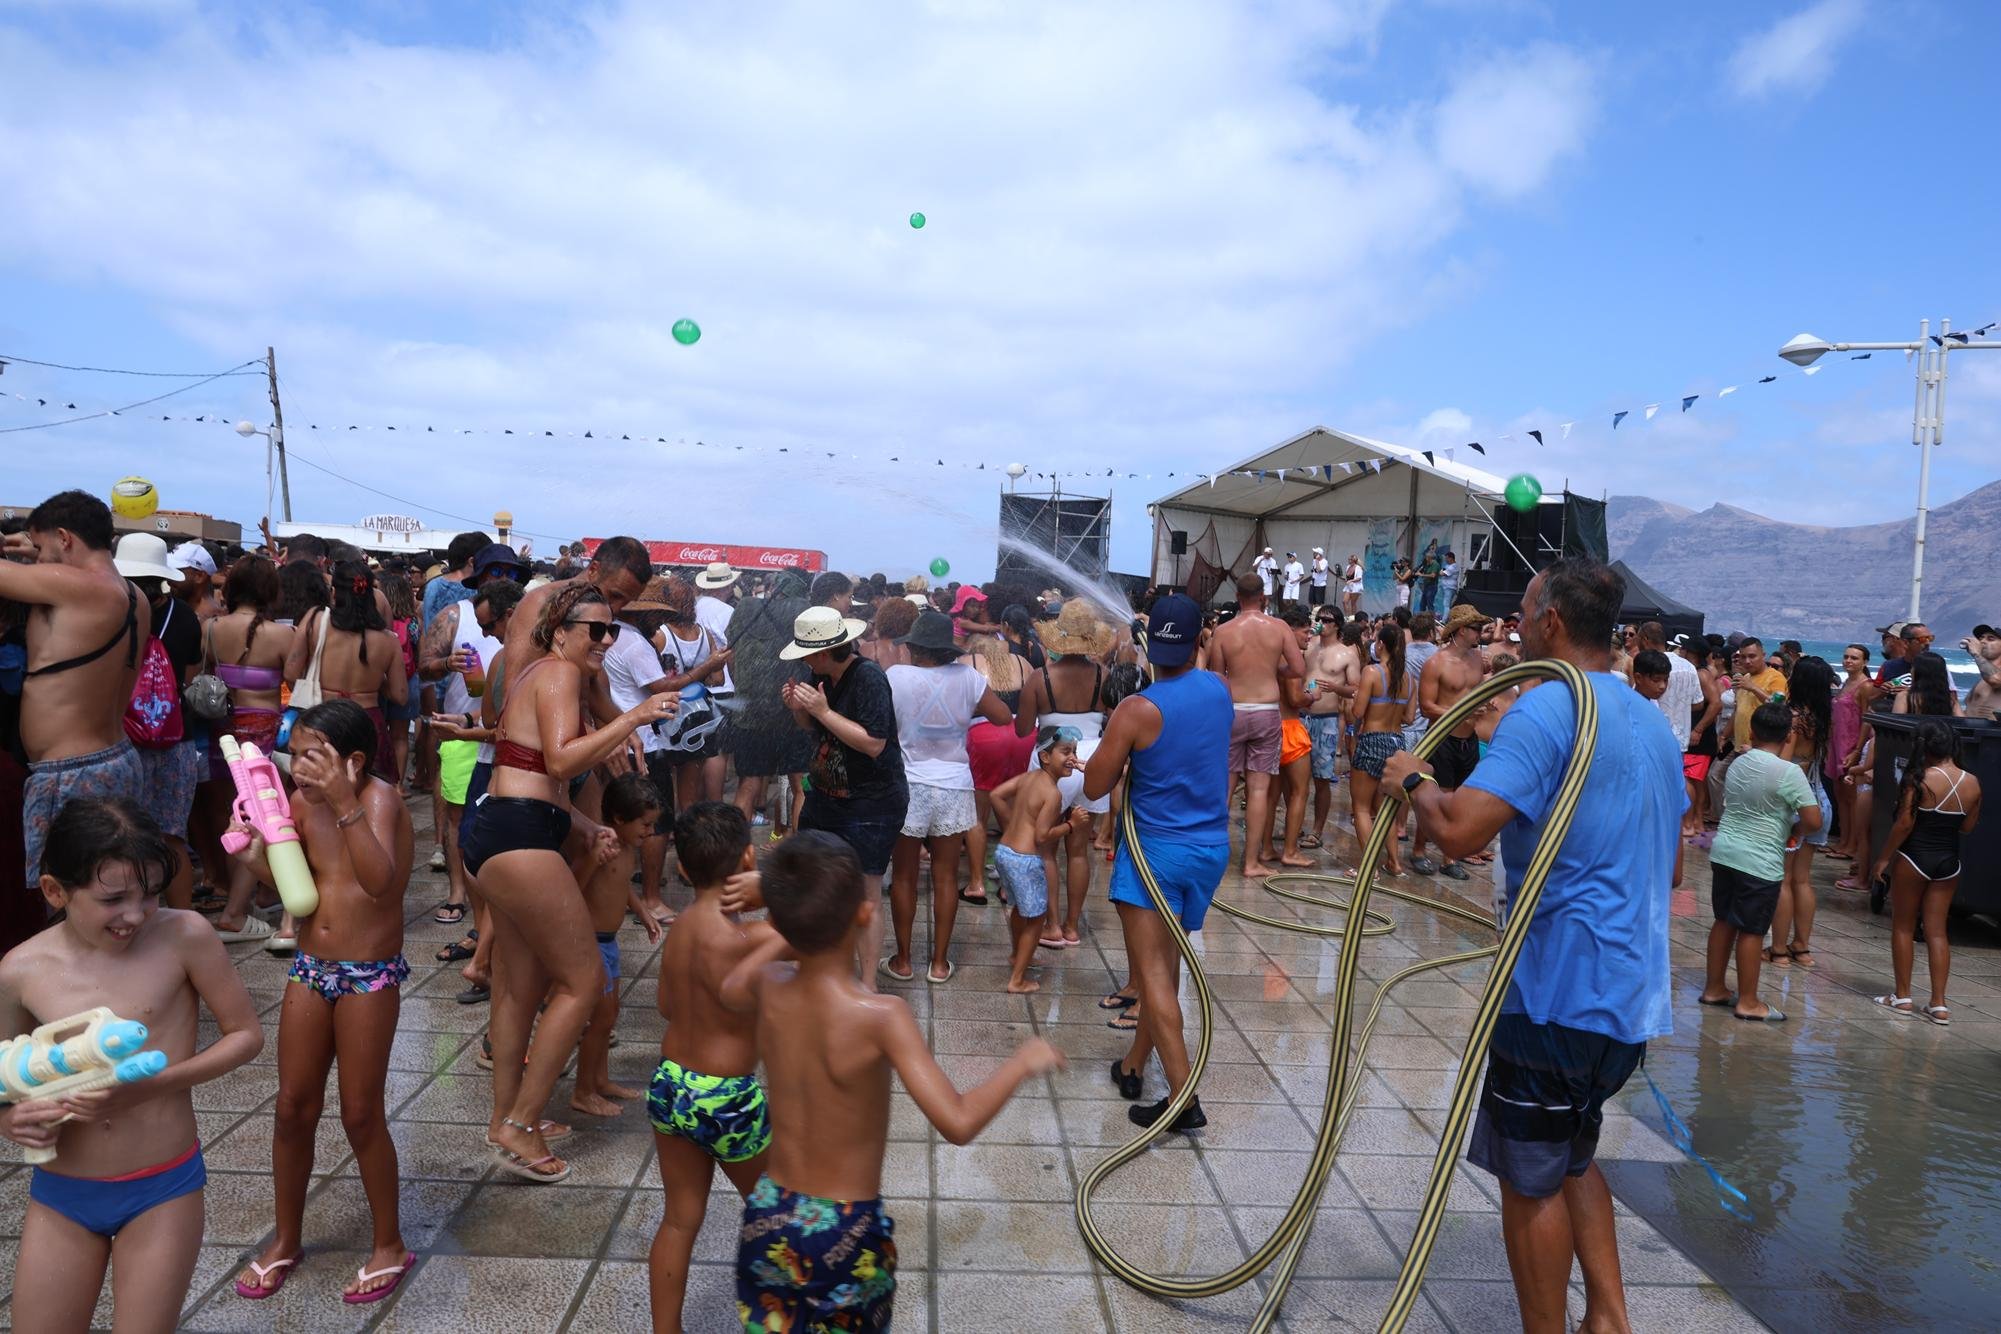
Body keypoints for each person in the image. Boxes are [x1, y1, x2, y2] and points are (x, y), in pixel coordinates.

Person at [1380, 558, 1684, 1334]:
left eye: (1519, 611)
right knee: (1573, 1153)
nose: (1510, 626)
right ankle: (1608, 1319)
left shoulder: (1547, 713)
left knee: (1532, 1180)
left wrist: (1411, 779)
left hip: (1555, 992)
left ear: (1551, 621)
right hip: (1628, 994)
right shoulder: (1648, 717)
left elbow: (1455, 830)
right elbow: (1672, 860)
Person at [719, 832, 1064, 1331]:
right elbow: (958, 1122)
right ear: (863, 916)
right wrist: (1022, 1062)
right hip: (846, 1227)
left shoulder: (768, 985)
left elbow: (730, 989)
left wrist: (780, 910)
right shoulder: (880, 1016)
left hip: (770, 1213)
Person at [0, 796, 262, 1332]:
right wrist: (9, 1120)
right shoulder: (21, 970)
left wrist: (155, 1084)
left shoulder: (184, 935)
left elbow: (246, 1035)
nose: (136, 915)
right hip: (63, 1189)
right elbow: (5, 1078)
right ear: (55, 891)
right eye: (113, 899)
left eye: (148, 894)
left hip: (161, 1185)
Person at [463, 582, 677, 1183]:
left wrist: (583, 823)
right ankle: (521, 1123)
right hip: (522, 840)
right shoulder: (558, 674)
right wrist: (633, 717)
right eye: (595, 630)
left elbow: (526, 767)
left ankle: (505, 1114)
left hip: (504, 828)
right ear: (560, 632)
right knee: (582, 981)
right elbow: (560, 761)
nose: (606, 642)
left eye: (613, 632)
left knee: (516, 990)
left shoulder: (531, 674)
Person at [225, 701, 415, 1303]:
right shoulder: (302, 803)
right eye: (295, 753)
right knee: (290, 1107)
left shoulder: (380, 801)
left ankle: (389, 1243)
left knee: (361, 1113)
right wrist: (256, 853)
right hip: (311, 967)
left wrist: (347, 804)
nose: (296, 767)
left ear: (352, 761)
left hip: (368, 974)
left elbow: (380, 883)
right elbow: (295, 886)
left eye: (311, 755)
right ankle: (286, 1238)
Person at [1085, 593, 1230, 1130]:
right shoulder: (1220, 690)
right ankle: (1134, 1063)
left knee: (1153, 976)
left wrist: (1114, 751)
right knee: (1163, 968)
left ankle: (1183, 1099)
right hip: (1209, 849)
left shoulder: (1137, 709)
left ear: (1151, 648)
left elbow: (1098, 785)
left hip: (1155, 855)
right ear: (1197, 642)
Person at [648, 802, 777, 1334]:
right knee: (775, 1217)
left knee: (680, 1218)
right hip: (729, 1099)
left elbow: (664, 1006)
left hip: (671, 1085)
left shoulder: (680, 930)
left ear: (682, 868)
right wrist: (774, 889)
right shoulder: (753, 937)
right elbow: (830, 918)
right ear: (748, 858)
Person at [2, 492, 150, 897]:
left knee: (66, 899)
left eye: (42, 547)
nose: (39, 557)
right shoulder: (133, 596)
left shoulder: (79, 586)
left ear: (65, 538)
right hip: (117, 756)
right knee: (113, 889)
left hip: (68, 773)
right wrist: (30, 544)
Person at [778, 605, 906, 986]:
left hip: (871, 801)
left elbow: (874, 744)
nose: (802, 659)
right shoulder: (817, 673)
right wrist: (800, 711)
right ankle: (826, 969)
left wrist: (822, 710)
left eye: (805, 652)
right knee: (812, 880)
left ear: (822, 652)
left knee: (866, 893)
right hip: (825, 795)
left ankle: (866, 983)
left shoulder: (868, 677)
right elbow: (816, 730)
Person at [883, 610, 1009, 984]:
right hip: (954, 784)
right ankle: (939, 964)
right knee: (946, 877)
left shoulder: (896, 676)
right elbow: (1002, 716)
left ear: (916, 647)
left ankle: (903, 961)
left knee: (904, 877)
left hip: (910, 785)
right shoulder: (969, 677)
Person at [195, 555, 295, 943]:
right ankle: (235, 912)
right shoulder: (282, 635)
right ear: (271, 591)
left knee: (230, 817)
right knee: (258, 820)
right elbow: (295, 683)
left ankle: (241, 901)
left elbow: (199, 678)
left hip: (220, 732)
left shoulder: (210, 629)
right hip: (263, 736)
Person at [1698, 701, 1819, 1023]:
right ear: (1787, 735)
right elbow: (1814, 819)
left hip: (1725, 852)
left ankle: (1715, 988)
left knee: (1723, 920)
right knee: (1752, 931)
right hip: (1760, 860)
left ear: (1752, 730)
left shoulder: (1739, 762)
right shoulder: (1788, 772)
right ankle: (1748, 1001)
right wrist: (1795, 829)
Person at [1014, 601, 1118, 937]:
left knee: (1045, 848)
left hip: (1051, 762)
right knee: (1078, 850)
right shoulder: (1104, 675)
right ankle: (1073, 926)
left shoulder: (1039, 677)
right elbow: (1113, 723)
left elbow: (1022, 729)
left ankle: (1053, 924)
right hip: (1092, 763)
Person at [112, 535, 205, 911]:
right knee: (172, 838)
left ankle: (129, 911)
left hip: (122, 738)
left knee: (121, 836)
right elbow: (192, 676)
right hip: (175, 738)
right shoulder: (184, 616)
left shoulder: (113, 610)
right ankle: (182, 919)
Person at [1869, 717, 1981, 1026]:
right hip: (1949, 862)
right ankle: (1939, 1005)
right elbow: (1968, 827)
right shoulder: (1972, 782)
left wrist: (1883, 859)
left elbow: (1904, 824)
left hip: (1914, 858)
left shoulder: (1918, 779)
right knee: (1937, 930)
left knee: (1903, 927)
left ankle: (1902, 996)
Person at [569, 772, 664, 1118]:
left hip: (609, 943)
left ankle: (601, 1079)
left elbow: (622, 886)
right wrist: (593, 859)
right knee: (601, 1019)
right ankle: (583, 1091)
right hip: (591, 943)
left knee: (609, 1019)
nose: (649, 833)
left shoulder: (627, 848)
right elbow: (573, 886)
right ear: (620, 819)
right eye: (645, 825)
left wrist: (643, 911)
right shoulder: (602, 847)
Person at [1208, 573, 1305, 880]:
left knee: (1224, 786)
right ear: (1263, 597)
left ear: (1238, 597)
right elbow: (1298, 669)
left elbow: (1217, 677)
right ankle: (1251, 863)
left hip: (1232, 711)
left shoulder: (1223, 631)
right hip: (1266, 710)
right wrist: (1273, 667)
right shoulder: (1279, 628)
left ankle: (1212, 856)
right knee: (1259, 789)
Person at [285, 560, 409, 782]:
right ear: (371, 594)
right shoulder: (388, 640)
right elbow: (400, 695)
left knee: (318, 789)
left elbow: (291, 674)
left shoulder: (315, 619)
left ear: (335, 592)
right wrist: (374, 681)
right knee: (367, 788)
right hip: (367, 720)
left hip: (323, 716)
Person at [989, 727, 1091, 994]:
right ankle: (1017, 979)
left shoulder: (1028, 777)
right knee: (1037, 918)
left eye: (1075, 752)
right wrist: (1071, 824)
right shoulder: (1053, 794)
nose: (1072, 757)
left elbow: (996, 795)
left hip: (1004, 853)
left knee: (1020, 909)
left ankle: (1017, 955)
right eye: (1066, 752)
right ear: (1045, 756)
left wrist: (1013, 824)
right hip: (1025, 860)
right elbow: (1043, 836)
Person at [723, 570, 815, 838]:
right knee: (799, 786)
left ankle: (735, 858)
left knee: (747, 785)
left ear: (772, 585)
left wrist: (742, 685)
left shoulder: (746, 607)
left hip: (750, 712)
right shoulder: (805, 611)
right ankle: (797, 855)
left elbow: (731, 655)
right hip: (793, 711)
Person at [1411, 604, 1492, 882]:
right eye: (1475, 628)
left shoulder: (1477, 660)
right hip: (1442, 739)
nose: (1480, 633)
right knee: (1436, 797)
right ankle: (1420, 850)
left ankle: (1449, 857)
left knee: (1459, 798)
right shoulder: (1436, 662)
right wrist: (1462, 712)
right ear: (1459, 631)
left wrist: (1485, 703)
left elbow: (1476, 693)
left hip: (1468, 738)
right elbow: (1426, 706)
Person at [1769, 655, 1835, 970]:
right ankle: (1802, 947)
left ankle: (1779, 949)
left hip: (1794, 801)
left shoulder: (1792, 719)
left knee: (1782, 880)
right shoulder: (1823, 719)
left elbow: (1783, 763)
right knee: (1803, 880)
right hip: (1818, 800)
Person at [963, 622, 1035, 905]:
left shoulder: (966, 662)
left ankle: (977, 883)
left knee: (978, 816)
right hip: (1022, 735)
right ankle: (1007, 886)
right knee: (1014, 814)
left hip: (983, 735)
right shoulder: (1021, 663)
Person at [656, 574, 734, 810]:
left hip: (666, 717)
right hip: (697, 719)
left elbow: (654, 683)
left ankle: (666, 831)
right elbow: (718, 679)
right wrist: (707, 669)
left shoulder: (660, 635)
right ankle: (688, 835)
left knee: (663, 784)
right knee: (689, 794)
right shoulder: (704, 633)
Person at [1348, 622, 1417, 877]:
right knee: (1386, 808)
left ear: (1380, 644)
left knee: (1362, 808)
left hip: (1372, 740)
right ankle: (1395, 863)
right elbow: (1410, 718)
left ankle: (1368, 870)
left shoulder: (1372, 672)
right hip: (1397, 743)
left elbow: (1358, 712)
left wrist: (1356, 699)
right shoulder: (1408, 678)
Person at [1303, 610, 1360, 848]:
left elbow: (1356, 688)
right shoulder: (1309, 646)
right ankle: (1294, 824)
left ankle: (1317, 829)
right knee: (1294, 777)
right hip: (1302, 716)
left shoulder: (1346, 653)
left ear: (1337, 625)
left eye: (1326, 621)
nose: (1321, 625)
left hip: (1326, 719)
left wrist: (1337, 689)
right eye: (1319, 620)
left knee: (1322, 778)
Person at [1676, 634, 1724, 842]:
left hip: (1699, 736)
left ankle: (1694, 822)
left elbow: (1716, 703)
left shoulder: (1702, 675)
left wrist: (1698, 729)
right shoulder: (1695, 673)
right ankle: (1696, 821)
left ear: (1691, 652)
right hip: (1695, 733)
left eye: (1684, 649)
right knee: (1697, 781)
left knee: (1693, 780)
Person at [1828, 644, 1872, 870]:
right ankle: (1843, 841)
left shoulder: (1865, 686)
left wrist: (1857, 750)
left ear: (1864, 662)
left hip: (1852, 744)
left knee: (1851, 797)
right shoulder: (1846, 683)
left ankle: (1852, 844)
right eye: (1846, 657)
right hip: (1837, 743)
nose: (1848, 661)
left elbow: (1867, 719)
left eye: (1854, 658)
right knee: (1840, 796)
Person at [1894, 650, 1961, 718]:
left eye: (1912, 667)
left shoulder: (1905, 697)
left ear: (1919, 673)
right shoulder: (1950, 698)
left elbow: (1895, 723)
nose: (1911, 670)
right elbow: (1961, 722)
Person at [1962, 623, 2001, 720]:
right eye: (1981, 638)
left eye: (1990, 639)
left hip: (1994, 733)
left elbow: (1995, 680)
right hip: (1972, 733)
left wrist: (1976, 653)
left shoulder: (1992, 678)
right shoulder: (1981, 681)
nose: (1982, 641)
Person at [1415, 541, 1441, 614]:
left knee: (1430, 604)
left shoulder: (1435, 564)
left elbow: (1433, 575)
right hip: (1426, 586)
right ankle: (1420, 620)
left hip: (1432, 587)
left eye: (1426, 557)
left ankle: (1431, 620)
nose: (1425, 558)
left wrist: (1421, 575)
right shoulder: (1427, 564)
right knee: (1422, 604)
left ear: (1429, 557)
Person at [1341, 553, 1364, 617]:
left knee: (1353, 603)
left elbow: (1359, 578)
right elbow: (1348, 577)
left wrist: (1351, 580)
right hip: (1349, 586)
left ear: (1353, 560)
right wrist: (1345, 579)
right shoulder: (1348, 567)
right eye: (1348, 559)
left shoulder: (1358, 568)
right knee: (1344, 601)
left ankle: (1353, 617)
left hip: (1356, 587)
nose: (1348, 560)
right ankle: (1347, 616)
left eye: (1350, 559)